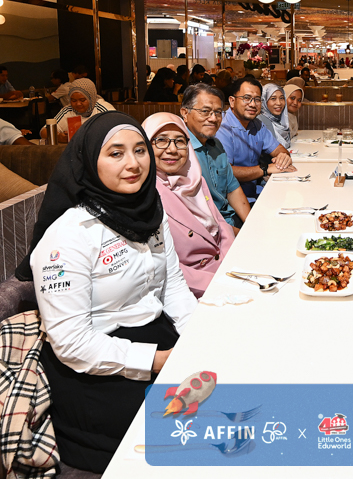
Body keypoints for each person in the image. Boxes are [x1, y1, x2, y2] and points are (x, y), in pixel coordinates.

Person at [27, 111, 197, 473]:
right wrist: (159, 361)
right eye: (116, 153)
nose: (133, 164)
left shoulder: (150, 210)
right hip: (97, 368)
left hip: (158, 338)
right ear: (90, 161)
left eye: (140, 150)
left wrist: (198, 338)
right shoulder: (69, 236)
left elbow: (173, 287)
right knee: (192, 432)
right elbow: (72, 342)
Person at [142, 112, 235, 297]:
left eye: (179, 141)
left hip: (226, 268)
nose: (172, 149)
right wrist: (219, 283)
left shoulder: (195, 180)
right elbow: (164, 266)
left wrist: (229, 263)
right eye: (161, 140)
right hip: (191, 289)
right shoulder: (146, 196)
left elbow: (221, 224)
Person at [180, 84, 251, 232]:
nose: (213, 118)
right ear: (185, 113)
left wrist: (251, 226)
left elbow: (233, 189)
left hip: (229, 220)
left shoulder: (216, 144)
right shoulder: (179, 151)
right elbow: (192, 215)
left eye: (218, 112)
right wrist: (241, 235)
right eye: (205, 111)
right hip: (207, 230)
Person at [216, 77, 295, 203]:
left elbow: (279, 149)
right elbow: (226, 172)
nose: (252, 104)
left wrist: (283, 157)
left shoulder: (257, 125)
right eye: (247, 98)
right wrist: (265, 169)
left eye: (257, 99)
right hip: (230, 202)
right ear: (232, 101)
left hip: (256, 192)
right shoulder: (222, 128)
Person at [44, 78, 115, 142]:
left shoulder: (104, 110)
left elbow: (118, 131)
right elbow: (44, 131)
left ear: (91, 98)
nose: (78, 104)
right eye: (73, 100)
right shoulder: (68, 110)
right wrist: (59, 137)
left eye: (82, 100)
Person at [258, 83, 292, 148]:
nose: (279, 103)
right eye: (273, 98)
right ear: (264, 101)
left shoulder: (282, 121)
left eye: (281, 98)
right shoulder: (260, 122)